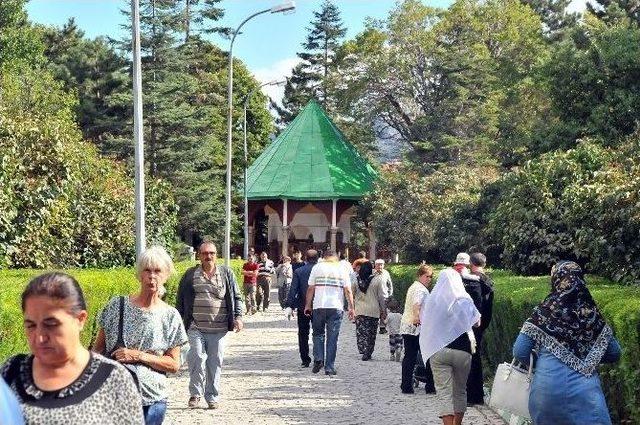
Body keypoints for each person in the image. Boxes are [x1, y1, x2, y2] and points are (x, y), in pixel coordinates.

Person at [1, 272, 143, 424]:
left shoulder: (114, 379)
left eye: (51, 324)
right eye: (31, 326)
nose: (40, 337)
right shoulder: (12, 371)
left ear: (80, 319)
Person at [512, 261, 621, 425]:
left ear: (555, 280)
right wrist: (587, 358)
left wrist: (543, 365)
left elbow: (520, 351)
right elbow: (614, 353)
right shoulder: (591, 314)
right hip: (586, 395)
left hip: (545, 392)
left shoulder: (543, 312)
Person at [94, 246, 187, 425]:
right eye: (147, 270)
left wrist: (138, 355)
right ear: (140, 274)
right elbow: (98, 350)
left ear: (166, 275)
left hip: (153, 400)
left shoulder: (170, 315)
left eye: (158, 271)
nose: (152, 276)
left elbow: (174, 364)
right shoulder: (116, 306)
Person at [175, 241, 244, 410]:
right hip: (195, 326)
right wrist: (177, 321)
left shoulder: (226, 273)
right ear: (199, 255)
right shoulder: (190, 274)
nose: (208, 256)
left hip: (219, 329)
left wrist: (238, 316)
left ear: (216, 254)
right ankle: (195, 394)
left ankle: (212, 396)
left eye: (212, 253)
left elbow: (236, 297)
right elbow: (180, 299)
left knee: (214, 362)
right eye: (205, 253)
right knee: (196, 357)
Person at [420, 269, 481, 425]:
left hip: (439, 349)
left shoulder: (433, 299)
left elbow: (425, 322)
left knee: (444, 392)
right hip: (463, 350)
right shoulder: (464, 298)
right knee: (460, 390)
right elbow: (477, 322)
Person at [304, 250, 355, 375]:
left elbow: (311, 288)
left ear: (324, 257)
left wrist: (307, 305)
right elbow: (348, 290)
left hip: (319, 306)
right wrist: (352, 308)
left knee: (317, 334)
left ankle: (319, 358)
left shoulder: (317, 267)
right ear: (336, 258)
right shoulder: (341, 269)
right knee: (332, 338)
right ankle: (329, 367)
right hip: (335, 306)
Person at [400, 264, 434, 394]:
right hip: (416, 326)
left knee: (410, 356)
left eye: (431, 277)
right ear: (420, 275)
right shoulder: (420, 289)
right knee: (427, 355)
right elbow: (417, 304)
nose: (429, 279)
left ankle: (406, 385)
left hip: (407, 325)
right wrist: (416, 317)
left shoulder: (414, 286)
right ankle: (430, 386)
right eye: (427, 276)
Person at [466, 252, 494, 404]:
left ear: (471, 264)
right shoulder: (488, 281)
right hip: (483, 324)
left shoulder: (473, 282)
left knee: (471, 358)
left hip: (473, 324)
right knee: (476, 357)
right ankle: (478, 395)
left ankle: (472, 395)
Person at [285, 249, 319, 367]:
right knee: (319, 333)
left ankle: (305, 359)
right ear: (317, 258)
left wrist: (289, 305)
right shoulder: (321, 271)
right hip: (319, 306)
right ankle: (319, 358)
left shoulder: (299, 271)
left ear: (305, 257)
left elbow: (293, 289)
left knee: (303, 333)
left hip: (302, 306)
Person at [352, 261, 386, 361]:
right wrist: (383, 310)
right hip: (373, 310)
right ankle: (368, 351)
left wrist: (352, 305)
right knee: (371, 333)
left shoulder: (356, 280)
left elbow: (351, 293)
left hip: (360, 310)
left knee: (361, 332)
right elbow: (381, 297)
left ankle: (363, 349)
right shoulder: (377, 280)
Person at [371, 259, 393, 334]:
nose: (380, 266)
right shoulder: (372, 273)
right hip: (373, 295)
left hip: (384, 295)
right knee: (374, 311)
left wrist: (390, 294)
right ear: (375, 265)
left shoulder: (386, 273)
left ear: (383, 265)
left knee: (384, 311)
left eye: (381, 264)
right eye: (378, 264)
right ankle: (373, 327)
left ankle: (382, 327)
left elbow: (390, 284)